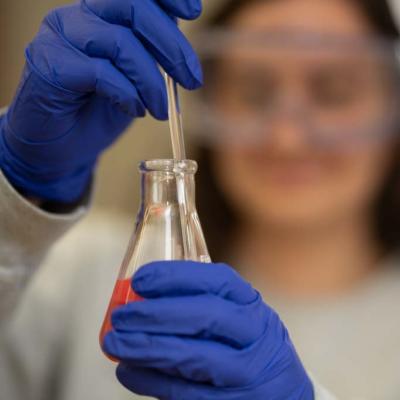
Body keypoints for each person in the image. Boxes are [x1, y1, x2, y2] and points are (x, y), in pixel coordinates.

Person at [0, 0, 398, 399]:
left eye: (334, 94)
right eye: (253, 93)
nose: (287, 138)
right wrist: (16, 194)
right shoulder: (77, 273)